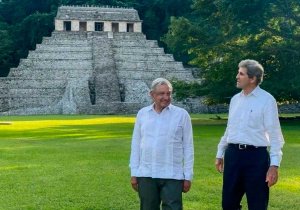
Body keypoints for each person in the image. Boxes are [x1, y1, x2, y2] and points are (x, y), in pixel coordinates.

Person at [215, 59, 284, 210]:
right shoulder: (235, 100)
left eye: (241, 74)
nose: (237, 76)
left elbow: (275, 136)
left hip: (256, 159)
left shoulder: (267, 100)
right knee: (228, 204)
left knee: (257, 204)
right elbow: (229, 129)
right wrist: (220, 153)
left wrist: (274, 165)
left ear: (252, 79)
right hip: (232, 156)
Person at [129, 78, 194, 210]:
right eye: (161, 94)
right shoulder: (142, 114)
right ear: (152, 94)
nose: (166, 97)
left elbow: (188, 147)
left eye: (168, 93)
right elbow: (136, 144)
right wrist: (134, 172)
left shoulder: (182, 115)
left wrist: (188, 176)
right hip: (146, 174)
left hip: (172, 174)